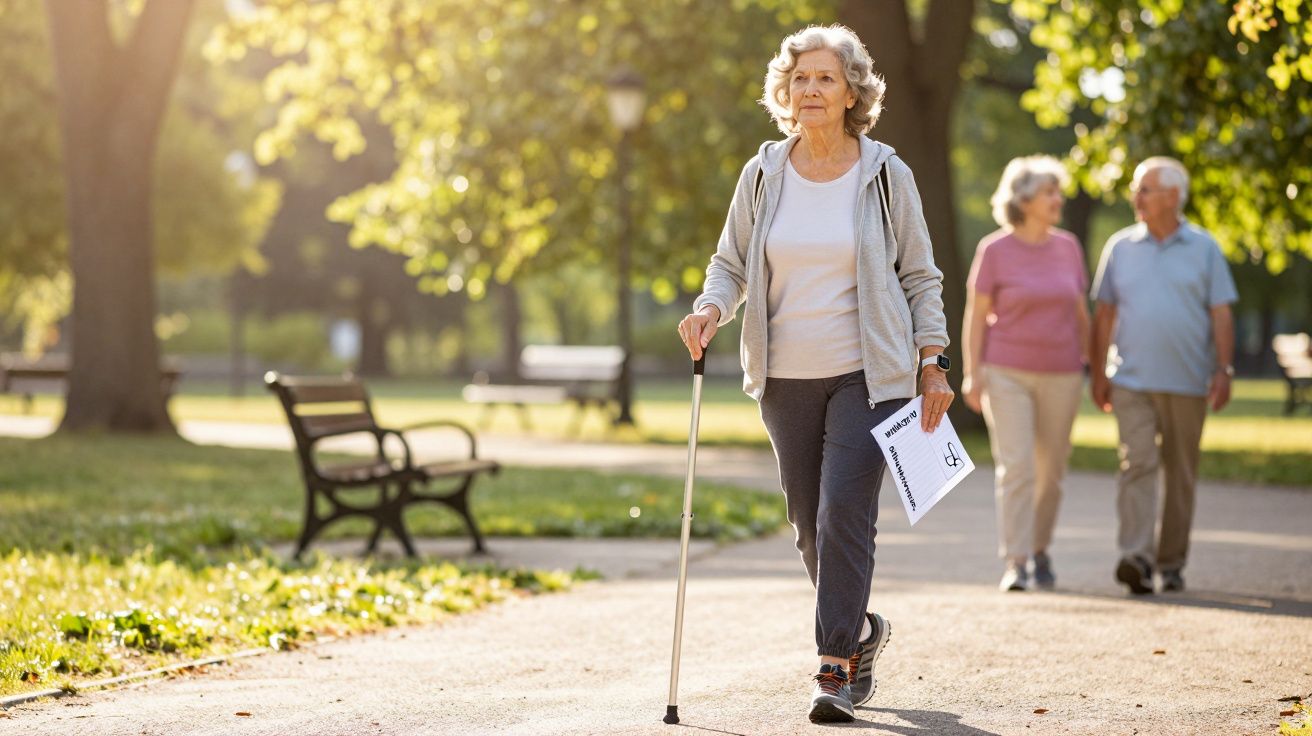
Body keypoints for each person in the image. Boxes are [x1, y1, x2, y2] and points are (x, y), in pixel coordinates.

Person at [676, 24, 952, 724]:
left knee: (841, 513)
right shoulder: (764, 171)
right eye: (800, 78)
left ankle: (833, 666)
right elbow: (731, 263)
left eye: (825, 78)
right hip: (784, 377)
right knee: (807, 523)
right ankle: (861, 632)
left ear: (853, 91)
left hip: (871, 374)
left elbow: (920, 277)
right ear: (785, 90)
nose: (810, 89)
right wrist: (711, 306)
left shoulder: (885, 173)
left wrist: (933, 363)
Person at [1089, 156, 1237, 595]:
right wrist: (1098, 373)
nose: (1136, 197)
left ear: (1173, 196)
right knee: (1137, 463)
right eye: (1137, 189)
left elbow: (1222, 313)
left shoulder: (1205, 247)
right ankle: (1136, 555)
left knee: (1180, 473)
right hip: (1130, 379)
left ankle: (1171, 563)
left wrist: (1224, 369)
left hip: (1188, 381)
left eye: (1145, 189)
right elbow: (1104, 315)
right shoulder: (1120, 246)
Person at [961, 156, 1089, 592]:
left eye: (1058, 191)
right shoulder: (994, 250)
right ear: (1024, 199)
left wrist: (1093, 364)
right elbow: (975, 317)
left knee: (1051, 469)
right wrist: (972, 373)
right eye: (1049, 192)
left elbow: (1080, 313)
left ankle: (1040, 549)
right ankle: (1015, 560)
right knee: (1016, 467)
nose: (1058, 199)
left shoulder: (1069, 247)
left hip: (1062, 371)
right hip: (1006, 371)